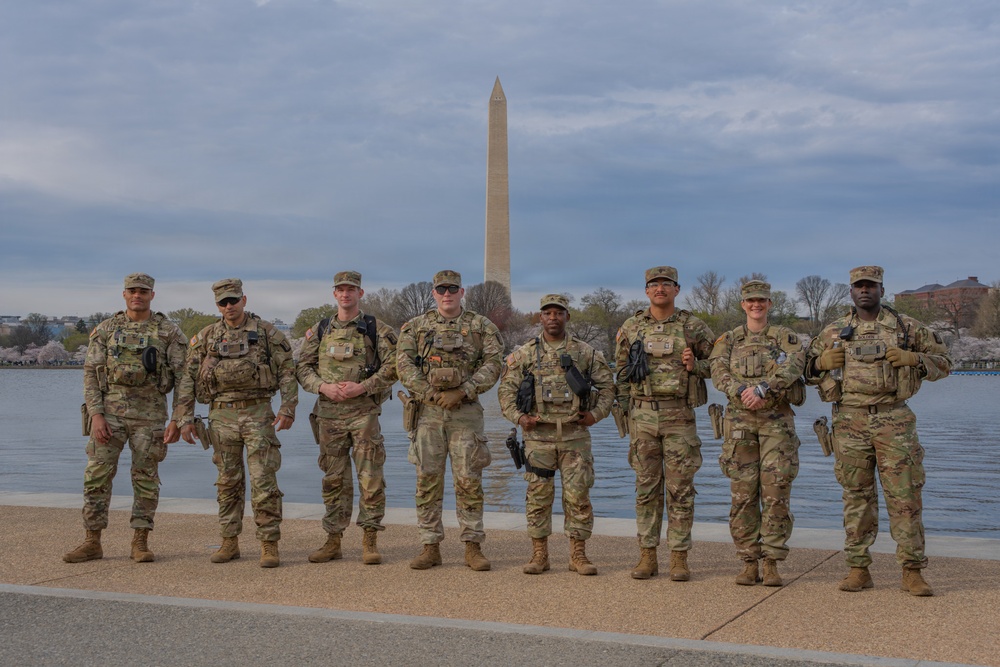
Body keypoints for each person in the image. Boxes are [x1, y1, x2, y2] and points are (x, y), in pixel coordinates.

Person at [805, 266, 951, 596]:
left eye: (871, 286)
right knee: (856, 497)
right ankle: (858, 569)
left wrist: (914, 358)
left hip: (894, 420)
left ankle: (911, 570)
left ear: (882, 290)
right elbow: (803, 370)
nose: (865, 291)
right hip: (849, 422)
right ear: (851, 291)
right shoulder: (834, 331)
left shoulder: (906, 328)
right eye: (859, 286)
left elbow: (945, 362)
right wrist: (820, 363)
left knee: (905, 497)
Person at [64, 273, 187, 564]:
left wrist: (178, 419)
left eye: (143, 291)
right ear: (124, 294)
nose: (137, 295)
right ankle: (92, 541)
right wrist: (95, 414)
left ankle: (140, 542)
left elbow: (184, 379)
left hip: (151, 416)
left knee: (146, 479)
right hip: (110, 415)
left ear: (152, 295)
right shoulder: (106, 329)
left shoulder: (168, 331)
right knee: (96, 477)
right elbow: (91, 374)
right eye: (132, 290)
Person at [175, 279, 298, 568]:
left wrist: (288, 408)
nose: (229, 306)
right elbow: (187, 379)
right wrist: (184, 418)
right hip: (220, 417)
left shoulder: (267, 333)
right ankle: (229, 541)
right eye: (223, 302)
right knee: (227, 483)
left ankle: (269, 544)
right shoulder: (206, 336)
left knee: (264, 482)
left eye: (233, 300)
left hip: (257, 413)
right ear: (217, 305)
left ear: (244, 299)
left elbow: (288, 372)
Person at [497, 294, 615, 575]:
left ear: (567, 317)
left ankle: (578, 555)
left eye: (559, 313)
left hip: (575, 436)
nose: (553, 317)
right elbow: (505, 392)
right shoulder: (525, 353)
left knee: (578, 496)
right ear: (540, 317)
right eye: (548, 313)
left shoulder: (585, 352)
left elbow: (609, 388)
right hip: (538, 437)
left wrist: (595, 415)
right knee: (538, 496)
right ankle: (540, 554)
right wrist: (520, 417)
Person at [396, 270, 503, 571]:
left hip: (465, 414)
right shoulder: (416, 327)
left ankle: (472, 547)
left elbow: (494, 363)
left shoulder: (481, 326)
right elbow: (403, 366)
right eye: (441, 289)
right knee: (427, 481)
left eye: (452, 288)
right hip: (427, 415)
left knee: (469, 481)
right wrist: (429, 392)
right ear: (434, 293)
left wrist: (464, 390)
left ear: (461, 292)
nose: (447, 294)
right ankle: (430, 546)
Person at [614, 266, 715, 581]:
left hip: (679, 416)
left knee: (681, 490)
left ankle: (678, 558)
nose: (660, 288)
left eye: (666, 284)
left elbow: (721, 365)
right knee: (646, 488)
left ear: (677, 289)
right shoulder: (631, 327)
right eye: (654, 284)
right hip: (642, 416)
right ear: (646, 291)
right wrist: (625, 411)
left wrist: (695, 365)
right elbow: (619, 372)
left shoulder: (692, 326)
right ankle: (647, 556)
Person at [296, 271, 398, 565]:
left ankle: (369, 540)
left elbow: (394, 367)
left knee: (371, 479)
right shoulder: (320, 329)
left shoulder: (375, 328)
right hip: (329, 416)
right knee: (333, 479)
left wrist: (363, 387)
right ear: (334, 294)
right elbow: (302, 368)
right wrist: (323, 387)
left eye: (351, 289)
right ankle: (333, 540)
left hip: (364, 415)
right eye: (340, 289)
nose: (345, 294)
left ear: (360, 293)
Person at [709, 280, 805, 586]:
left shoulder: (783, 337)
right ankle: (749, 560)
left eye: (762, 300)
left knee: (776, 490)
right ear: (743, 304)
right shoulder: (730, 339)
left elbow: (796, 363)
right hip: (739, 423)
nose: (756, 305)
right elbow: (717, 369)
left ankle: (773, 560)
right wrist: (740, 390)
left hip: (776, 420)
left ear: (770, 303)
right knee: (743, 493)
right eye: (751, 300)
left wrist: (766, 388)